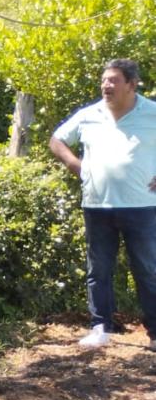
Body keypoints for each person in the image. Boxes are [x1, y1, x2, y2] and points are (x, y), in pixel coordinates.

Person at [49, 58, 156, 350]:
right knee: (99, 270)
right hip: (97, 205)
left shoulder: (151, 112)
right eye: (104, 80)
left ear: (131, 85)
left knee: (148, 269)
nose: (106, 85)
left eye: (113, 80)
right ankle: (100, 327)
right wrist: (75, 165)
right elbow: (57, 140)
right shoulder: (89, 115)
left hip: (142, 206)